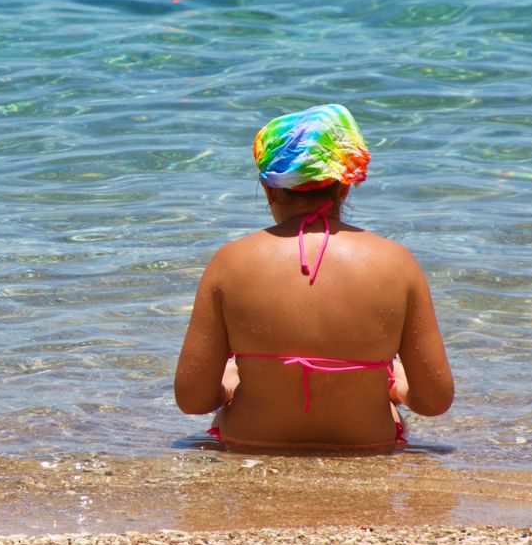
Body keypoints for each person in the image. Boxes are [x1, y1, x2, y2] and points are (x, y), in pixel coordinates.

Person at [174, 104, 453, 449]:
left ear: (271, 189)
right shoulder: (396, 262)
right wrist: (396, 386)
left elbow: (193, 399)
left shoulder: (229, 262)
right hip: (367, 447)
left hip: (248, 442)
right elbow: (435, 400)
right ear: (345, 187)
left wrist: (231, 383)